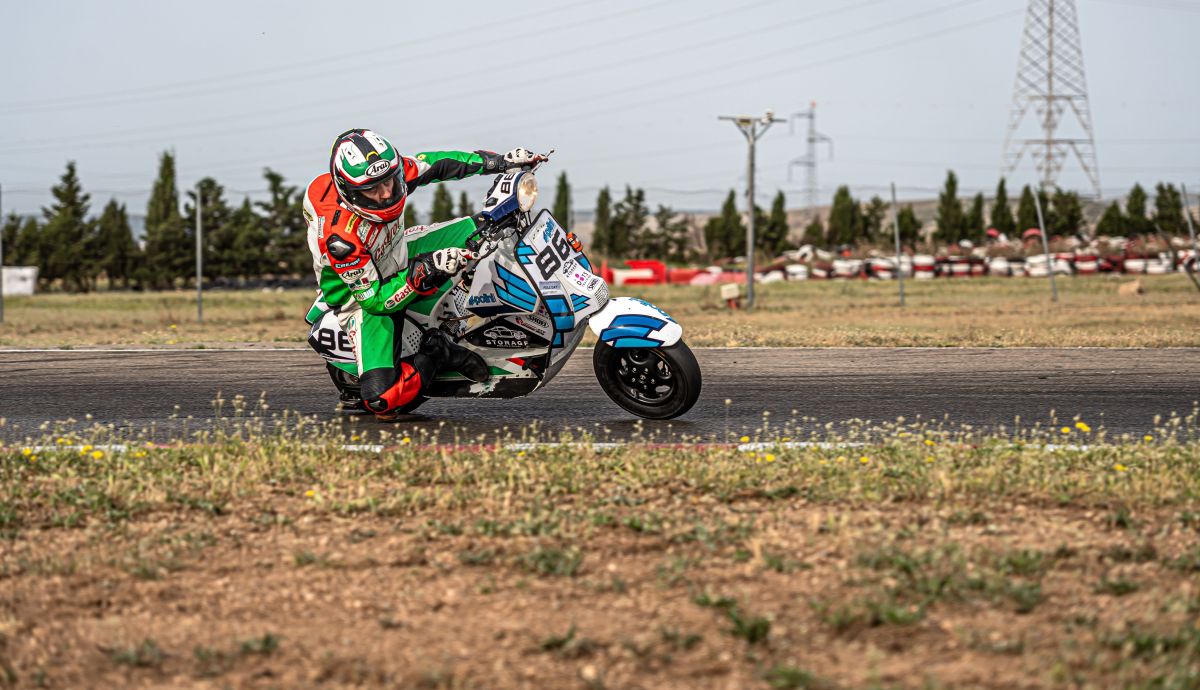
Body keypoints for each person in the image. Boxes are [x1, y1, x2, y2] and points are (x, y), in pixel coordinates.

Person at [303, 128, 539, 420]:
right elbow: (375, 301)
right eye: (373, 190)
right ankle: (439, 351)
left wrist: (498, 162)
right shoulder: (341, 239)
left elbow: (437, 164)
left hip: (398, 250)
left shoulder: (390, 174)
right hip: (363, 297)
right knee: (383, 402)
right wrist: (424, 270)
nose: (387, 193)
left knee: (491, 224)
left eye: (390, 181)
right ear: (350, 192)